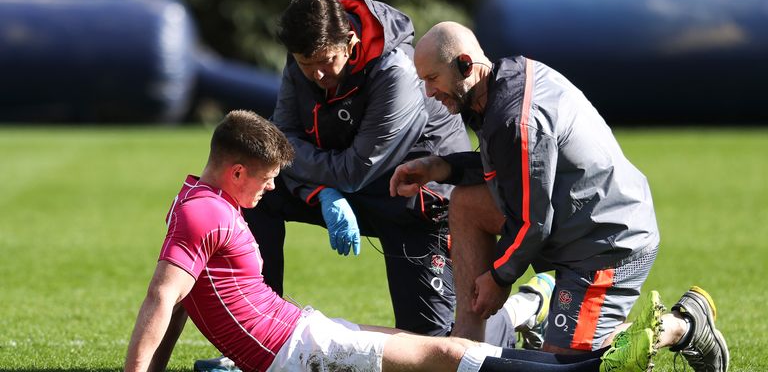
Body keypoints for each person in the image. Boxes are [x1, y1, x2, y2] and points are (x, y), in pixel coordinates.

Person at [123, 109, 659, 372]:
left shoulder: (195, 200)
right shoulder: (205, 214)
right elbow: (163, 299)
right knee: (445, 354)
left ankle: (558, 341)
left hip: (301, 334)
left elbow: (180, 300)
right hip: (295, 353)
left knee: (443, 348)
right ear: (236, 172)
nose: (271, 190)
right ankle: (591, 366)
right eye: (265, 180)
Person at [389, 22, 729, 371]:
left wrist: (498, 277)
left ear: (465, 64)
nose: (429, 93)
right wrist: (439, 167)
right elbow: (513, 170)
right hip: (575, 224)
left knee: (565, 367)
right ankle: (468, 342)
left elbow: (534, 221)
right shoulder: (501, 83)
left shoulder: (515, 118)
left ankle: (682, 326)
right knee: (467, 203)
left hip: (608, 245)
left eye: (432, 79)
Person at [243, 0, 471, 337]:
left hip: (416, 202)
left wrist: (320, 181)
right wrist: (317, 191)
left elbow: (354, 170)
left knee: (427, 345)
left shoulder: (397, 72)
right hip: (345, 186)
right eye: (306, 64)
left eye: (325, 62)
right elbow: (279, 143)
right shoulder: (301, 59)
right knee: (251, 186)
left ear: (350, 43)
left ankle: (525, 307)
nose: (317, 75)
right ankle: (258, 331)